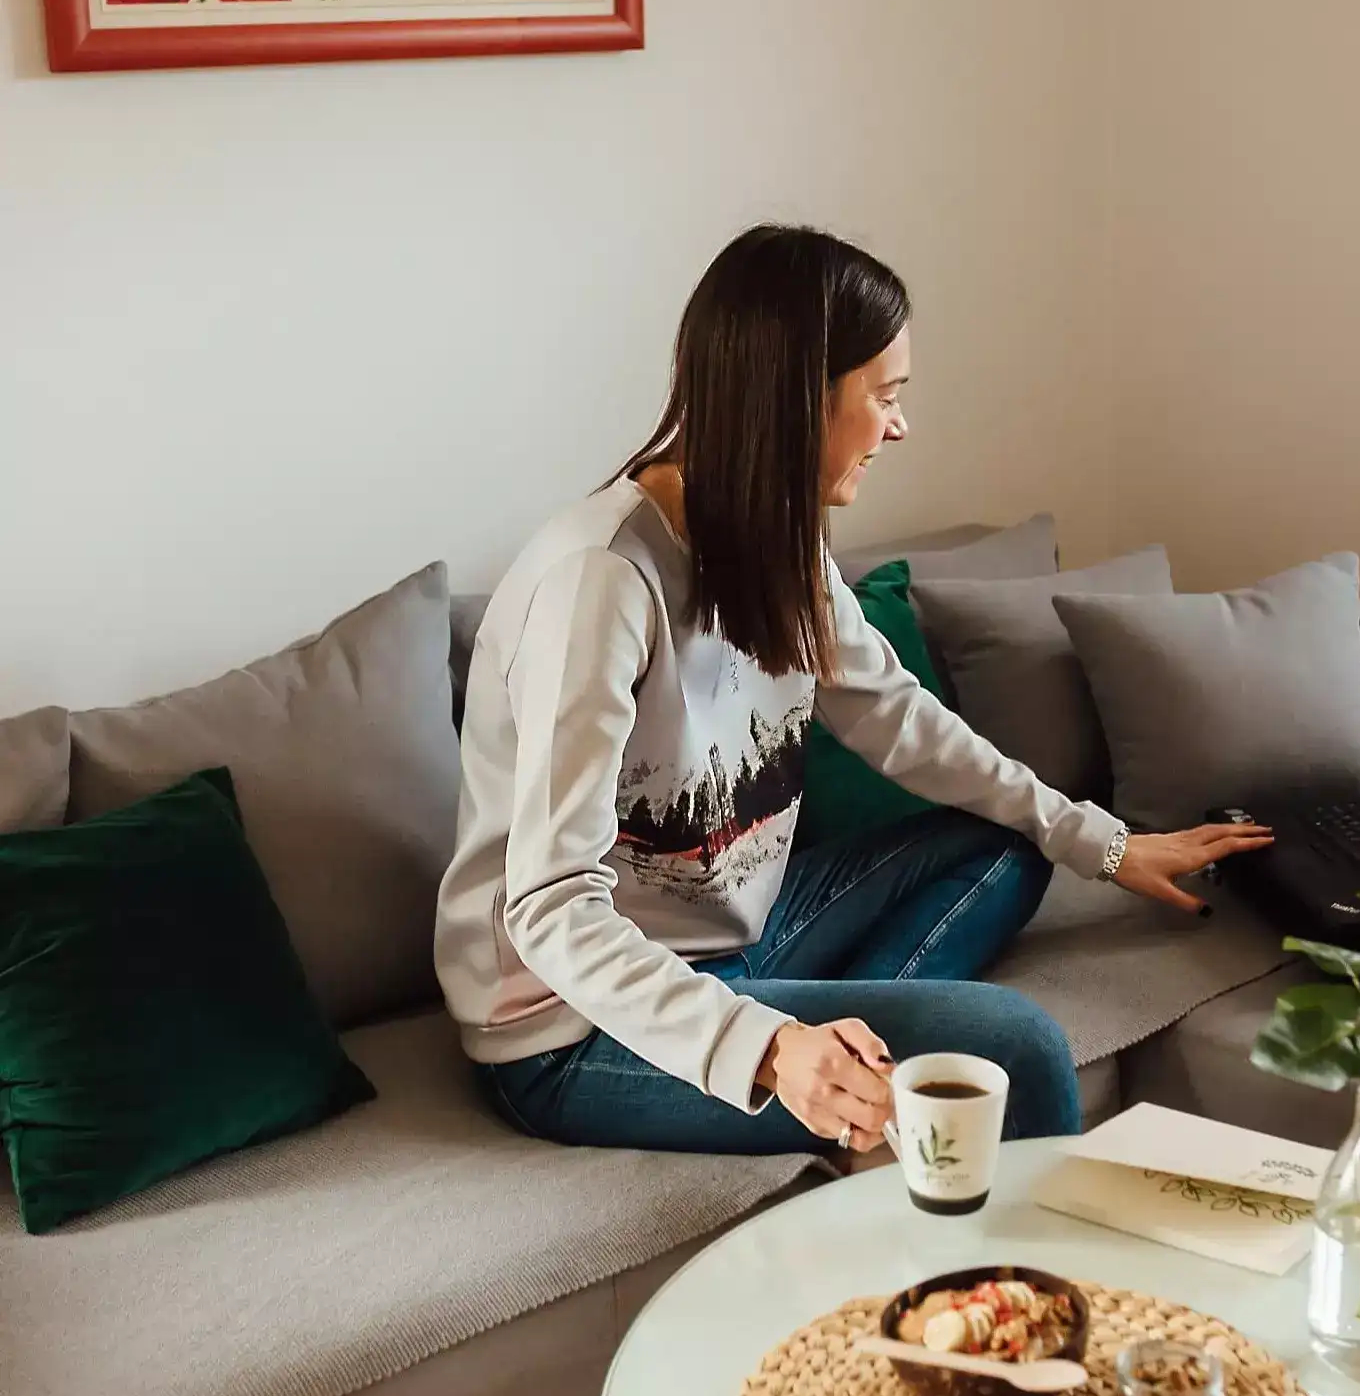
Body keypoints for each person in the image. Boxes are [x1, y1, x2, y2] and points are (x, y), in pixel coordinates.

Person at [435, 225, 1272, 1158]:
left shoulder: (775, 542)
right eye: (883, 396)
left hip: (738, 940)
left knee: (1009, 838)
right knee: (1022, 1046)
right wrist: (763, 1045)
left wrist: (1106, 843)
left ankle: (851, 1084)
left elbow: (902, 723)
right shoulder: (600, 582)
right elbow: (550, 907)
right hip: (573, 1027)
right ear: (797, 405)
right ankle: (898, 1143)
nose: (899, 425)